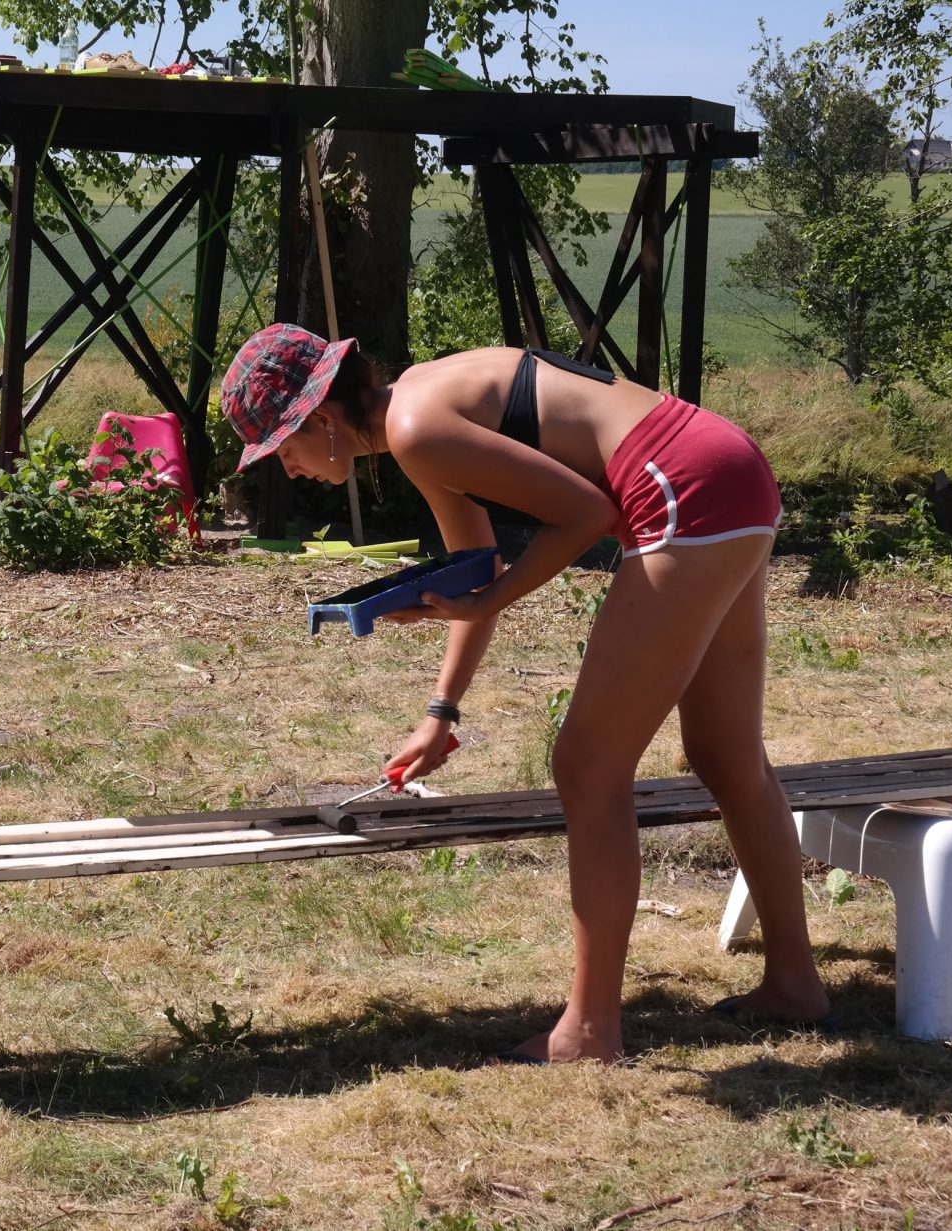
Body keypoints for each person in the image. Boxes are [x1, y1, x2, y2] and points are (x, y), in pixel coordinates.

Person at [221, 325, 831, 1064]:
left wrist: (490, 598)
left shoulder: (416, 429)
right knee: (725, 751)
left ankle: (588, 1031)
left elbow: (585, 516)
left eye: (280, 448)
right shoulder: (417, 407)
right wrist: (439, 713)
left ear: (320, 417)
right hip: (724, 464)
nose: (286, 468)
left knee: (587, 764)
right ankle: (795, 983)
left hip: (680, 490)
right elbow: (475, 572)